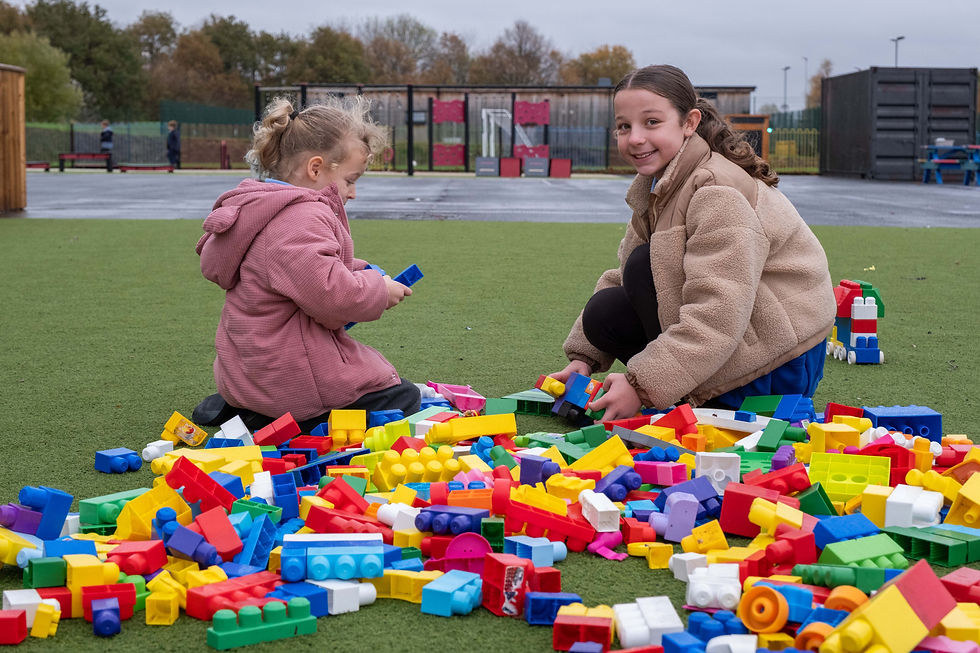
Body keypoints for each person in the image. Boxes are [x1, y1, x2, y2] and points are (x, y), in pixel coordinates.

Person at [553, 65, 837, 421]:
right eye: (624, 126)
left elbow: (719, 312)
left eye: (651, 122)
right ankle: (680, 384)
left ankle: (705, 397)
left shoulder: (717, 192)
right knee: (608, 307)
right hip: (741, 336)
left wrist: (641, 385)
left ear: (689, 123)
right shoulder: (660, 185)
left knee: (645, 266)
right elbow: (622, 276)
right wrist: (584, 358)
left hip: (778, 362)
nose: (635, 138)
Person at [192, 97, 420, 433]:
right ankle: (283, 417)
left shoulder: (260, 207)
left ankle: (242, 405)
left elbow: (302, 268)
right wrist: (377, 291)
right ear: (316, 168)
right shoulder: (300, 216)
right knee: (402, 395)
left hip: (245, 370)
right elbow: (333, 296)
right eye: (349, 180)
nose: (353, 193)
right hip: (287, 375)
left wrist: (363, 271)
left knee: (271, 382)